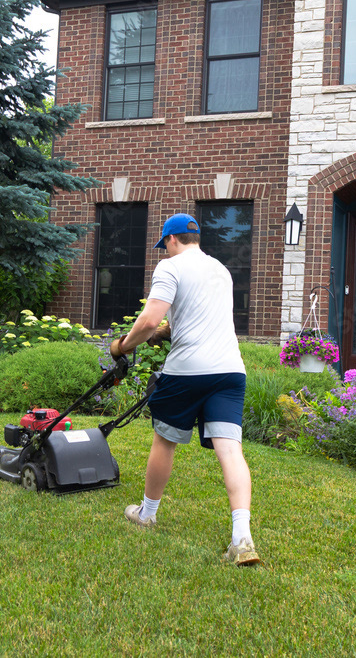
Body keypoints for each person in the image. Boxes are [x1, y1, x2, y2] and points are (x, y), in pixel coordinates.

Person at [109, 213, 261, 567]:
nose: (166, 250)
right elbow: (199, 317)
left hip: (188, 371)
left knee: (165, 440)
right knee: (230, 449)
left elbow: (149, 321)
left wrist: (122, 346)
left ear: (171, 240)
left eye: (165, 244)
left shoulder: (170, 267)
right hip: (230, 370)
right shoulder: (220, 269)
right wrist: (169, 329)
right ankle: (242, 538)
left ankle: (147, 514)